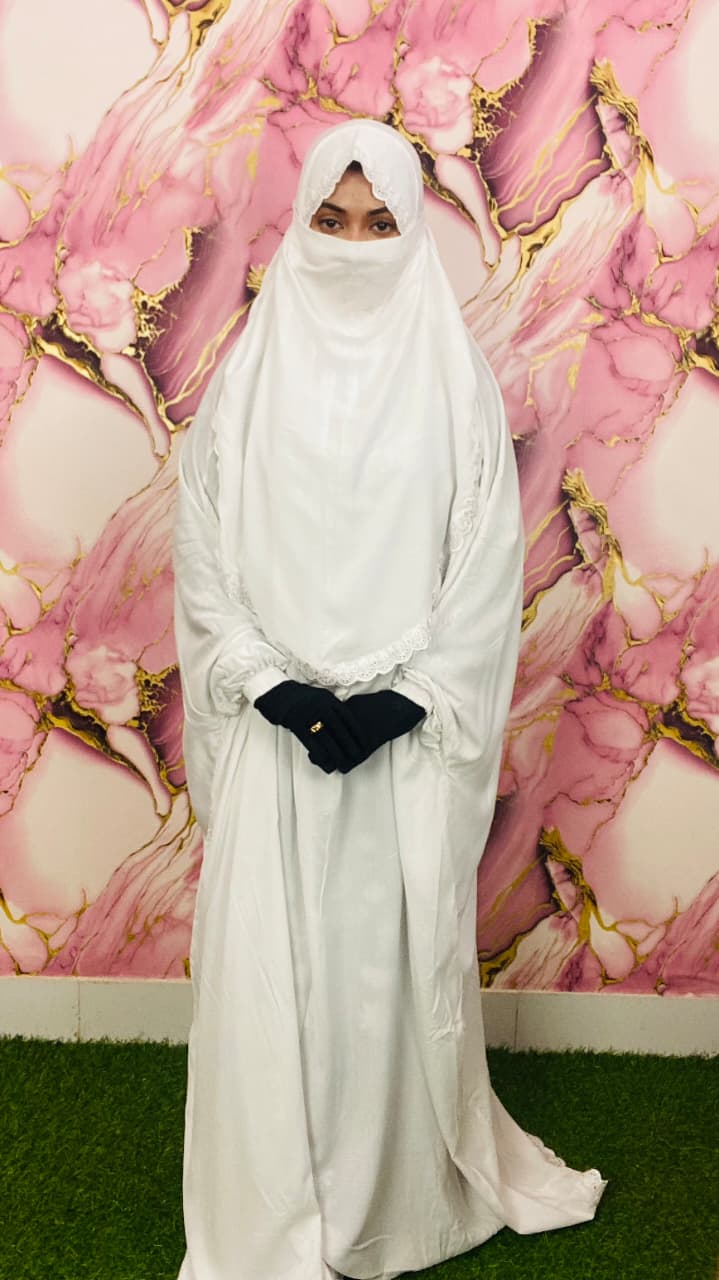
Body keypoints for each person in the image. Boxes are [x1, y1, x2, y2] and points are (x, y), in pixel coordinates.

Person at [173, 118, 605, 1280]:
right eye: (330, 221)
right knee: (274, 972)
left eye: (378, 224)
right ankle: (273, 1204)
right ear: (298, 226)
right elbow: (201, 545)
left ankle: (388, 1201)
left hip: (402, 745)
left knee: (379, 972)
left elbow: (484, 561)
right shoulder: (246, 381)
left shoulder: (451, 389)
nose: (353, 245)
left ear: (413, 234)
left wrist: (402, 700)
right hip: (276, 737)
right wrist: (273, 686)